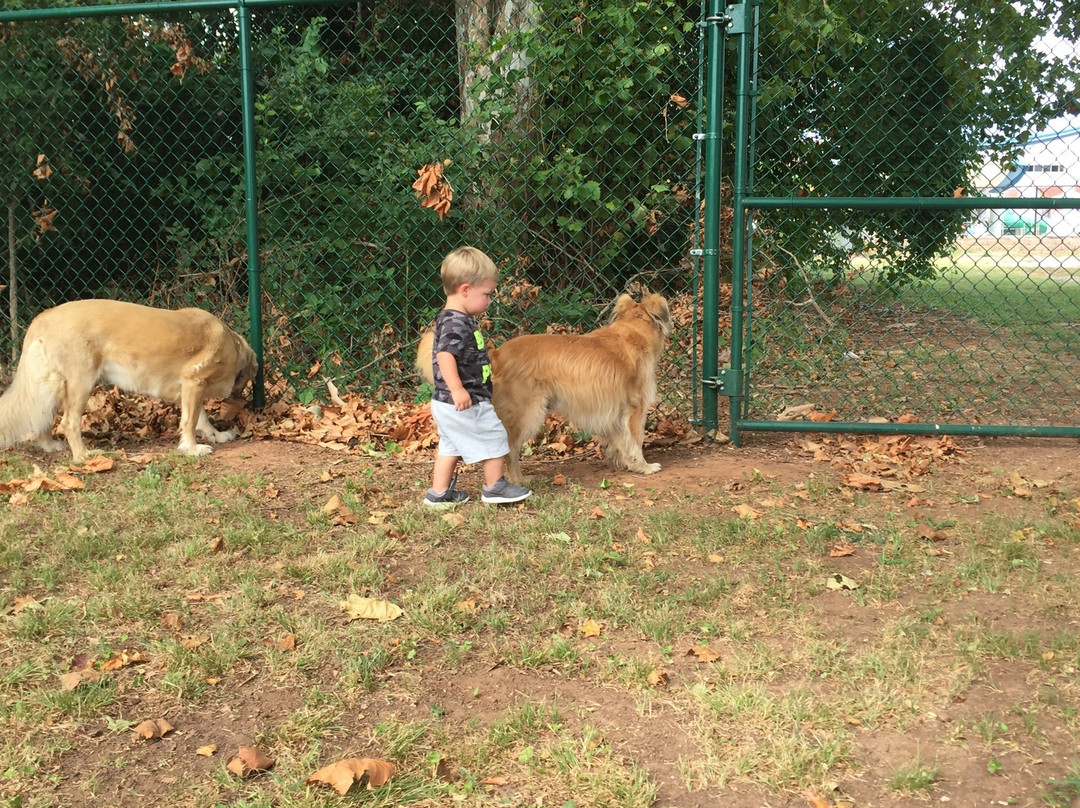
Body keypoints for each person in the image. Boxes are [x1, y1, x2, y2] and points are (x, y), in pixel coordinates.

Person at [424, 246, 533, 507]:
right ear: (465, 290)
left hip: (446, 403)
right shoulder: (455, 323)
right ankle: (494, 486)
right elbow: (445, 356)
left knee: (450, 447)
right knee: (495, 436)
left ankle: (438, 493)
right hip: (465, 400)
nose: (490, 300)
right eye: (487, 294)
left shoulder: (453, 318)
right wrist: (458, 389)